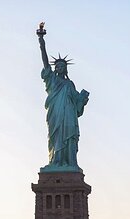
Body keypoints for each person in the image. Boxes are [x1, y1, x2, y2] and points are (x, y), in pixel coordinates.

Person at [37, 26, 89, 171]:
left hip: (69, 116)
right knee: (56, 138)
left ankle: (70, 163)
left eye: (62, 66)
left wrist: (82, 99)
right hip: (56, 114)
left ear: (65, 69)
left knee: (69, 137)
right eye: (57, 66)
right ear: (55, 68)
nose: (59, 67)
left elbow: (78, 105)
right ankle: (56, 161)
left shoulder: (69, 84)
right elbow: (45, 62)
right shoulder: (51, 80)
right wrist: (41, 41)